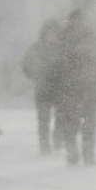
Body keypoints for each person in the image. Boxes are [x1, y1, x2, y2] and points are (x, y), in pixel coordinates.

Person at [48, 9, 96, 166]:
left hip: (90, 89)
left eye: (81, 20)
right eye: (75, 20)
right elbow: (54, 65)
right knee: (71, 124)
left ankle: (89, 156)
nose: (78, 24)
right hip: (68, 90)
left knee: (89, 124)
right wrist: (59, 85)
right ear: (69, 22)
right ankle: (72, 154)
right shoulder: (62, 41)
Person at [22, 19, 63, 155]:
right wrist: (35, 76)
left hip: (60, 88)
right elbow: (26, 65)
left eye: (54, 32)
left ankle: (57, 141)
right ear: (44, 33)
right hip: (42, 88)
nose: (51, 35)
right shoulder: (35, 48)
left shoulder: (63, 48)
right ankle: (44, 145)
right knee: (43, 119)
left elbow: (70, 65)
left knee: (61, 117)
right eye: (48, 32)